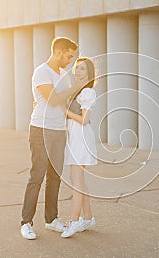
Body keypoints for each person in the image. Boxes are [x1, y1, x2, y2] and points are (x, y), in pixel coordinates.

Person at [20, 37, 89, 240]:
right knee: (37, 176)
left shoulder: (64, 76)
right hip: (41, 130)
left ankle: (51, 220)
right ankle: (26, 223)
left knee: (55, 177)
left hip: (59, 131)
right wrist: (76, 87)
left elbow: (64, 105)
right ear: (58, 52)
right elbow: (53, 99)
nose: (70, 61)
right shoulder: (42, 72)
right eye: (68, 56)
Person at [60, 57, 98, 238]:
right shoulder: (78, 91)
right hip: (74, 137)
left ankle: (74, 221)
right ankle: (88, 217)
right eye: (76, 68)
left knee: (76, 180)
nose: (78, 72)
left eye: (82, 69)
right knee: (79, 180)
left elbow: (85, 120)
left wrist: (65, 112)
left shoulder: (88, 92)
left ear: (89, 73)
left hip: (80, 138)